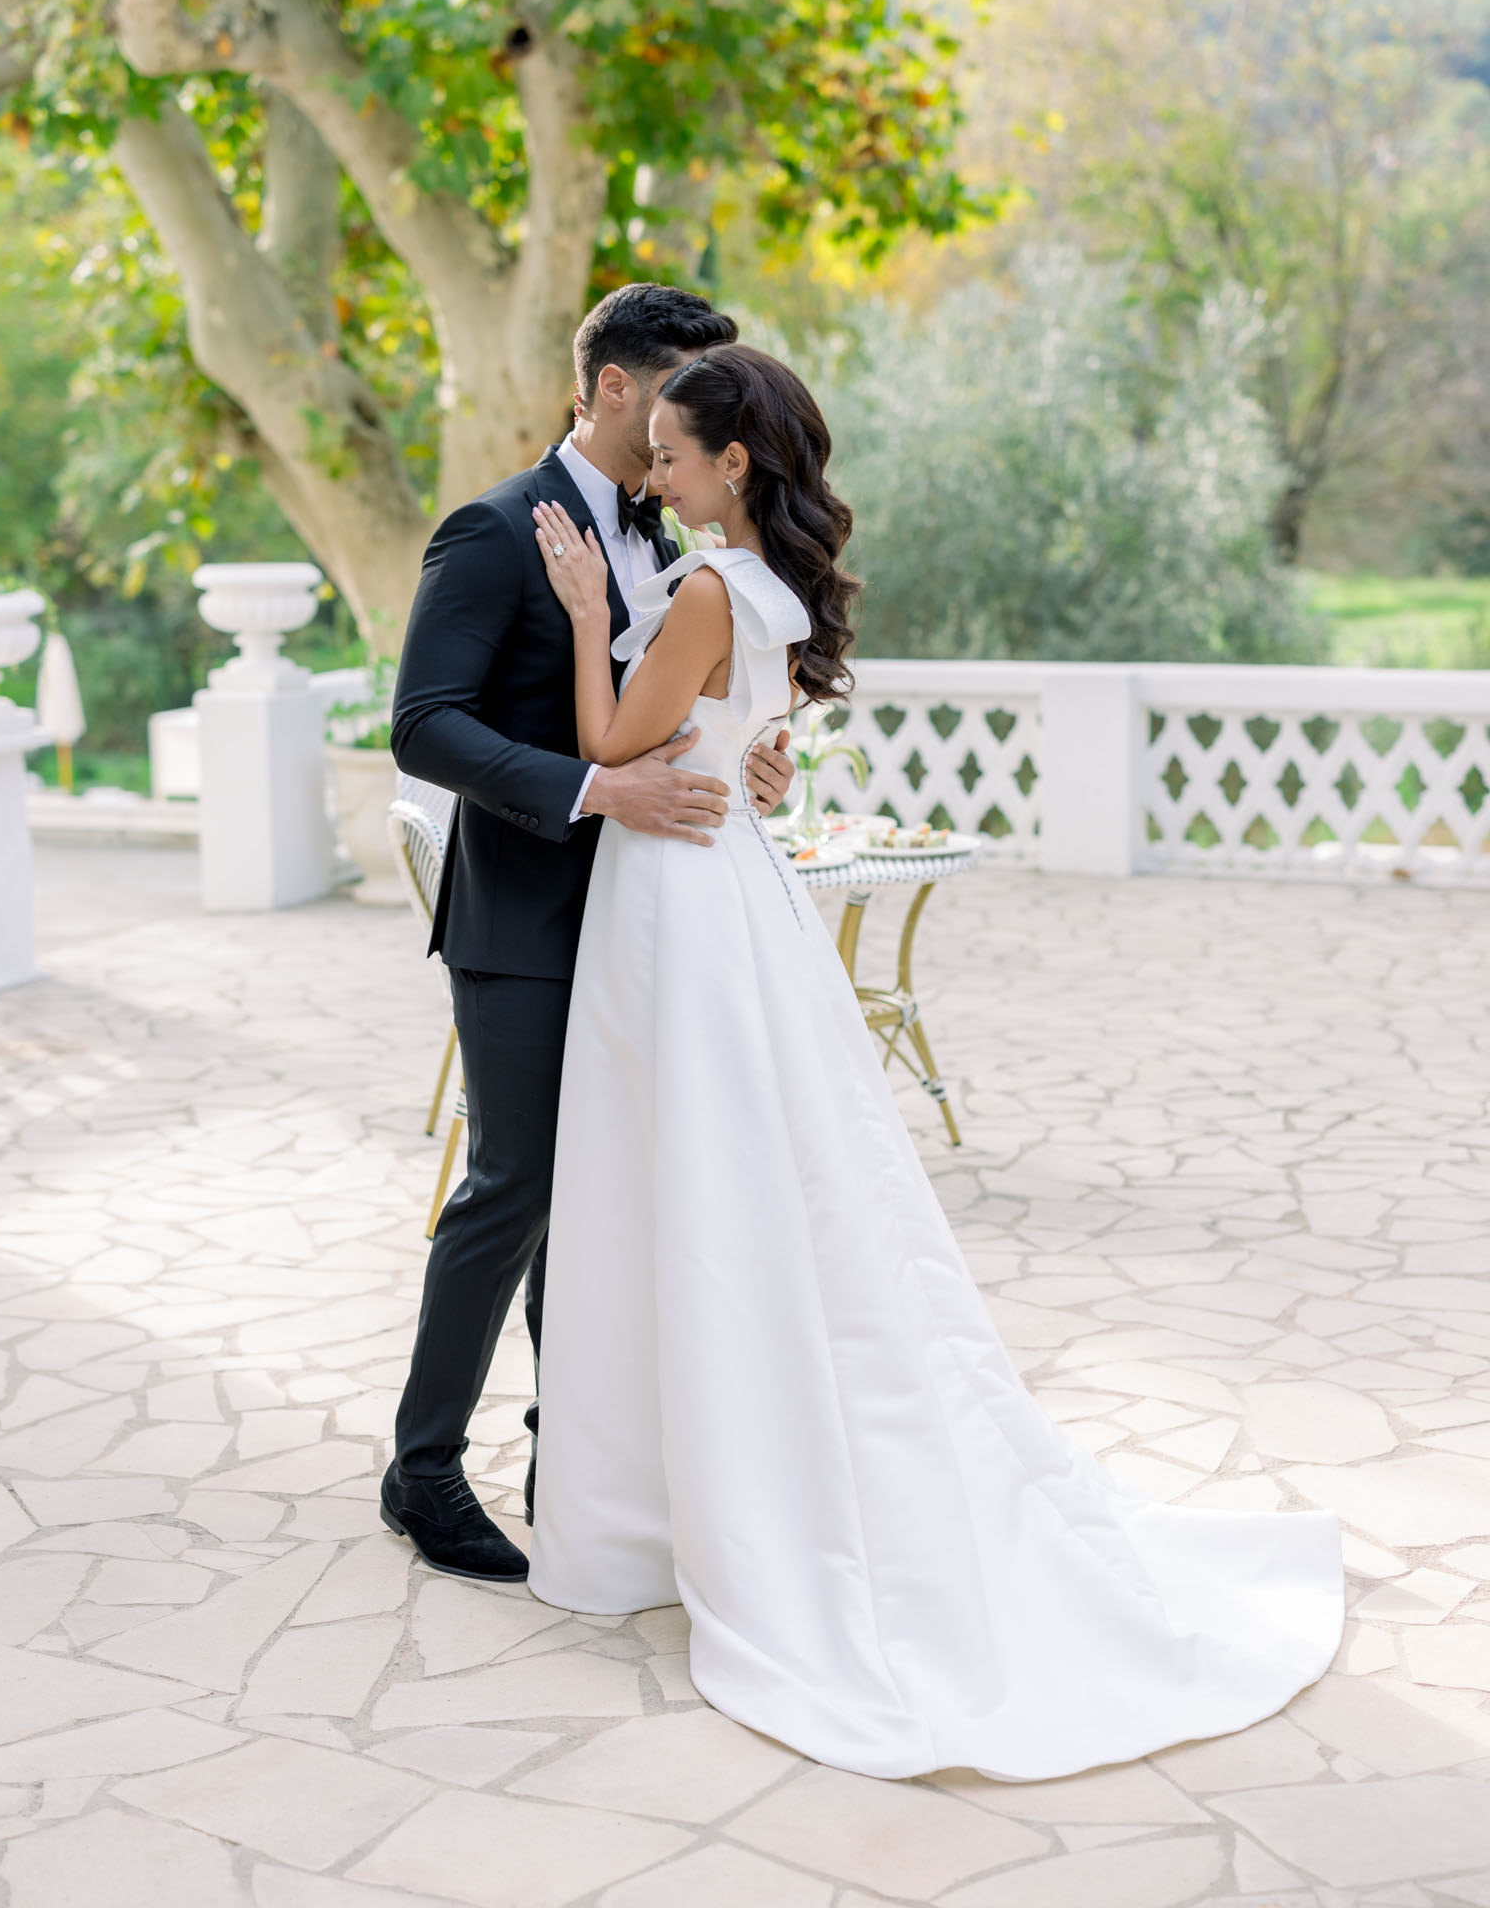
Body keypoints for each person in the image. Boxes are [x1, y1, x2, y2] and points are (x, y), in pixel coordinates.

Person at [525, 342, 1344, 1781]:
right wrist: (732, 733)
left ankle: (717, 1499)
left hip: (680, 899)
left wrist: (592, 611)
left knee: (692, 1179)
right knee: (729, 1177)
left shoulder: (710, 588)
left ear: (732, 462)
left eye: (666, 450)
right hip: (727, 878)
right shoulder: (764, 588)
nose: (646, 472)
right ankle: (695, 1481)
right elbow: (735, 733)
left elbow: (610, 741)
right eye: (644, 446)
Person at [381, 286, 796, 1583]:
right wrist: (596, 787)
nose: (683, 419)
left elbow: (671, 695)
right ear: (614, 388)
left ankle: (580, 1459)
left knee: (608, 1195)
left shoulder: (679, 542)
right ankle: (424, 1471)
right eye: (676, 389)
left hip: (649, 919)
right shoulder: (495, 530)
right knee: (514, 1188)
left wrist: (745, 755)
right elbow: (424, 724)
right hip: (525, 922)